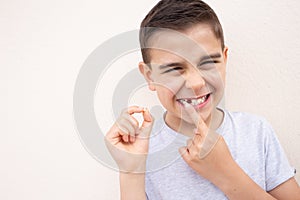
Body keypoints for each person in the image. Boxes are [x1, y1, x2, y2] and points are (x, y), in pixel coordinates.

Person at [105, 0, 300, 199]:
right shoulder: (143, 152)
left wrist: (227, 174)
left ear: (225, 59)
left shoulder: (256, 132)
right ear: (149, 76)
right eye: (174, 69)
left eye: (207, 62)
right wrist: (131, 172)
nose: (196, 83)